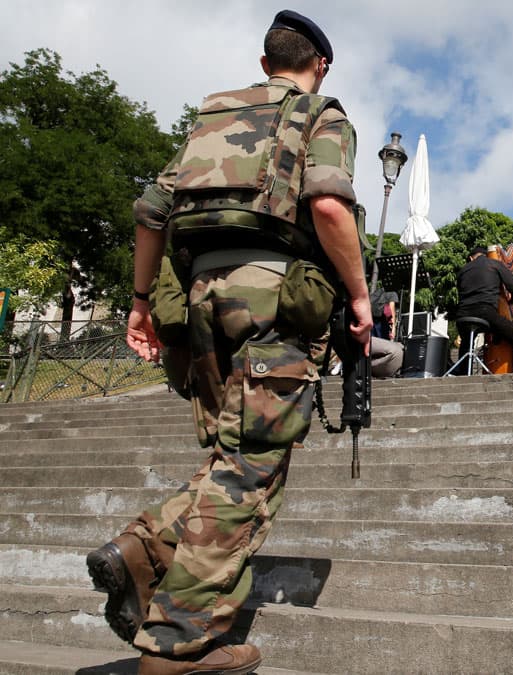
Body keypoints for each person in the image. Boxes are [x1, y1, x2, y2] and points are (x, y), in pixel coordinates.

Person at [93, 11, 365, 673]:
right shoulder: (319, 113)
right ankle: (176, 642)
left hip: (200, 302)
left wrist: (139, 302)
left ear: (266, 58)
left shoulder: (212, 117)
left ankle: (146, 549)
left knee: (234, 457)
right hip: (273, 302)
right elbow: (328, 203)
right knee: (248, 469)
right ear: (319, 64)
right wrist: (359, 294)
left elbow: (151, 210)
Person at [456, 246, 513, 372]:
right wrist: (510, 301)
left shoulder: (462, 270)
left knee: (467, 343)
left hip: (462, 315)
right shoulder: (494, 264)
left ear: (470, 258)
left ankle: (462, 374)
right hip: (486, 312)